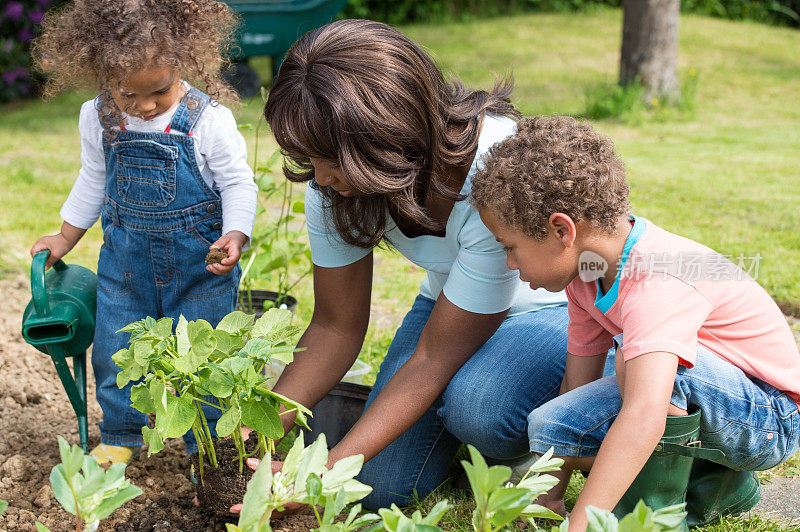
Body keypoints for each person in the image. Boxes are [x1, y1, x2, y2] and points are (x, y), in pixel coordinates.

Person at [250, 19, 569, 511]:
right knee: (380, 488)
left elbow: (433, 359)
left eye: (329, 160)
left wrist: (325, 473)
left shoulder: (496, 172)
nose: (318, 178)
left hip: (550, 310)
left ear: (388, 137)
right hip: (454, 304)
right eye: (307, 158)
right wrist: (266, 421)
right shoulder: (332, 181)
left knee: (480, 405)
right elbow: (335, 327)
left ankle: (544, 435)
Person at [471, 115, 800, 531]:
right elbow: (576, 387)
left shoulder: (656, 280)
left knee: (634, 364)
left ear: (561, 229)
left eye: (511, 247)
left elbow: (644, 414)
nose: (510, 263)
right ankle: (719, 485)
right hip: (707, 390)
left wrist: (581, 524)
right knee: (549, 419)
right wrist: (544, 500)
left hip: (770, 415)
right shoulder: (586, 275)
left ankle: (652, 518)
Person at [29, 0, 257, 465]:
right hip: (124, 269)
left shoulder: (208, 120)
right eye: (128, 95)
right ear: (103, 76)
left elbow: (238, 183)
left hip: (200, 268)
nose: (147, 106)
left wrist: (235, 233)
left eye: (159, 91)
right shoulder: (98, 118)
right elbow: (93, 178)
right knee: (114, 352)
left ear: (183, 62)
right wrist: (64, 237)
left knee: (206, 359)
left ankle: (207, 447)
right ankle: (119, 435)